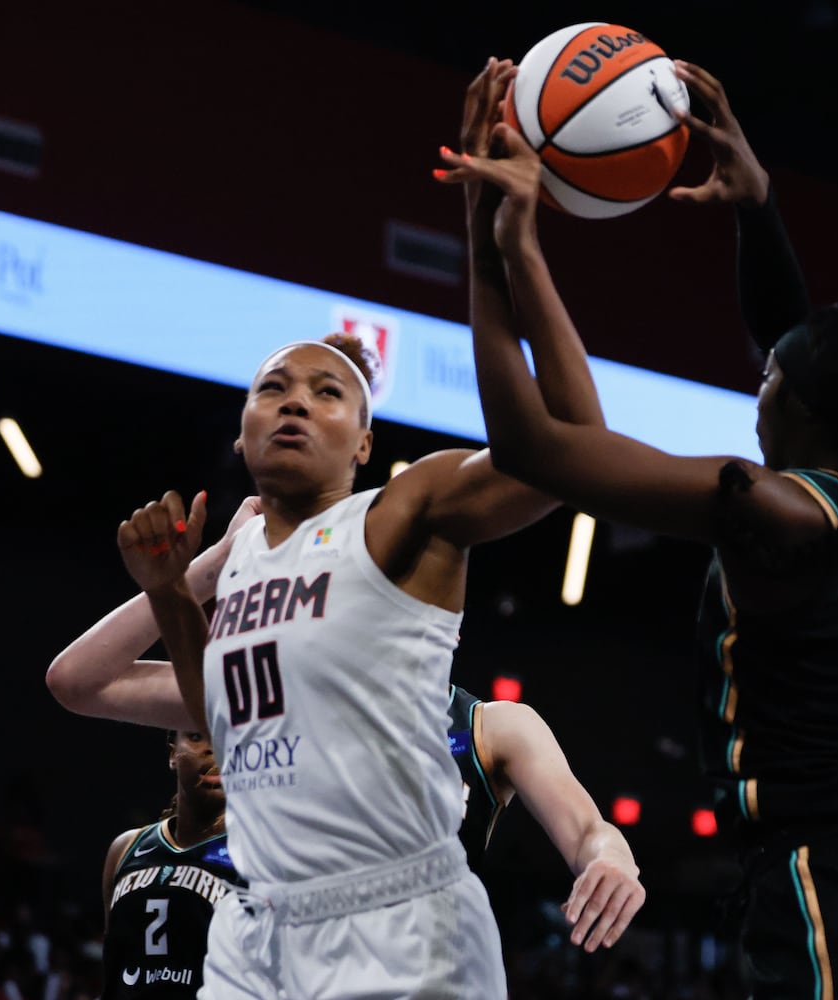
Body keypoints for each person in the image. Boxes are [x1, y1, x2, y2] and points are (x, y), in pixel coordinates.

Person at [437, 60, 838, 999]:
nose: (754, 378)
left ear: (799, 406)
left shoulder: (767, 507)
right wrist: (755, 206)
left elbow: (533, 446)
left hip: (829, 881)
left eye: (768, 375)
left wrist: (496, 244)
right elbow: (793, 347)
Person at [110, 57, 630, 1000]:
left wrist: (504, 248)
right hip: (255, 920)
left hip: (400, 925)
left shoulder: (403, 512)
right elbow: (217, 711)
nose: (295, 403)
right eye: (273, 388)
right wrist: (167, 595)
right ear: (241, 431)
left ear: (364, 443)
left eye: (327, 393)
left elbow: (570, 446)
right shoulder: (240, 562)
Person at [48, 526, 645, 953]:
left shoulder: (493, 729)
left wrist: (610, 858)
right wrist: (211, 564)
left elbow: (589, 831)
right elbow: (77, 682)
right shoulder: (284, 696)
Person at [101, 729, 240, 998]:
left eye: (227, 736)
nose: (213, 750)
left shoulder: (257, 851)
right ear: (173, 754)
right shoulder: (125, 849)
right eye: (197, 736)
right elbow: (113, 967)